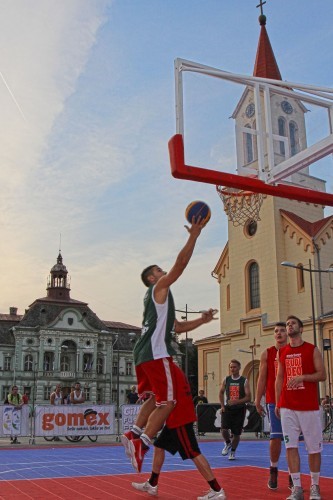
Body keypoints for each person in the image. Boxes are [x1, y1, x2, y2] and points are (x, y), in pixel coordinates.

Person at [121, 216, 218, 473]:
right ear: (153, 279)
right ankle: (142, 443)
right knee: (169, 401)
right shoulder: (160, 287)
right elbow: (181, 264)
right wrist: (194, 235)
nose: (163, 272)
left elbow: (178, 328)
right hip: (155, 353)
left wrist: (202, 320)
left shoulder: (158, 301)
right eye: (159, 271)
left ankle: (134, 433)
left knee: (155, 399)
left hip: (143, 353)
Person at [131, 364, 226, 499]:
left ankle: (217, 490)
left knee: (193, 452)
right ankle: (152, 483)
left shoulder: (167, 369)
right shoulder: (172, 369)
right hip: (177, 416)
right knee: (159, 446)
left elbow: (165, 395)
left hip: (180, 417)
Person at [275, 315, 326, 500]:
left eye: (293, 323)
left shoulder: (312, 350)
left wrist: (303, 377)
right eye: (287, 324)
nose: (289, 326)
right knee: (291, 446)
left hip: (309, 406)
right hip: (288, 406)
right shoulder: (282, 352)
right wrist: (279, 402)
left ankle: (314, 486)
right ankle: (297, 488)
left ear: (301, 328)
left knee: (313, 448)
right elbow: (279, 378)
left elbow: (322, 375)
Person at [255, 322, 289, 490]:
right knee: (275, 437)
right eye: (276, 331)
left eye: (282, 330)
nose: (279, 333)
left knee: (292, 438)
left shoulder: (293, 351)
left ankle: (293, 473)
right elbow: (261, 378)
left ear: (288, 333)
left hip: (292, 399)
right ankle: (273, 470)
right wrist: (257, 399)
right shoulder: (267, 353)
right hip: (273, 400)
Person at [219, 359, 251, 460]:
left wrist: (236, 401)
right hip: (228, 408)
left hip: (239, 409)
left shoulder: (244, 381)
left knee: (236, 433)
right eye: (231, 367)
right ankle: (228, 443)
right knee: (224, 430)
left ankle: (232, 452)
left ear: (239, 368)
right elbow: (220, 392)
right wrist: (222, 406)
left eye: (234, 367)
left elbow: (248, 397)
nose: (232, 369)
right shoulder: (226, 379)